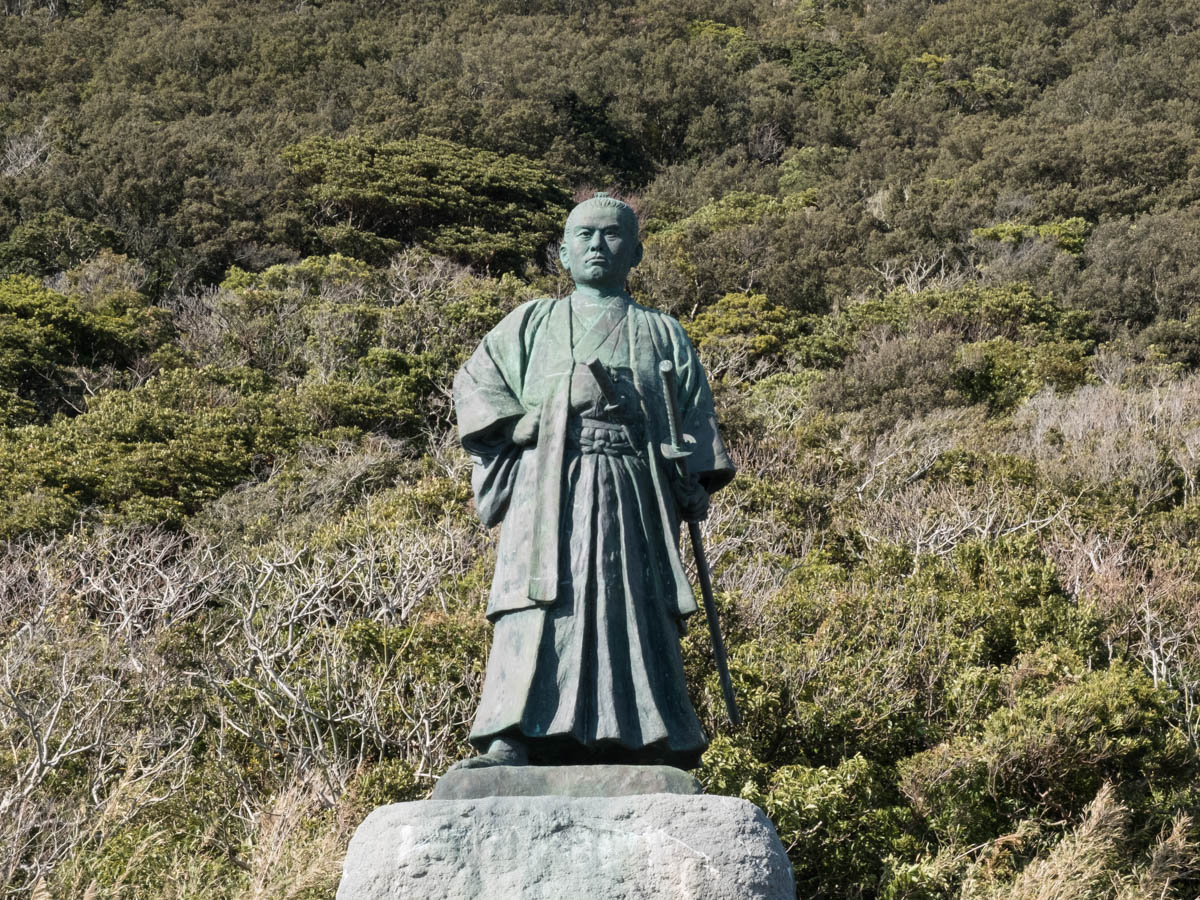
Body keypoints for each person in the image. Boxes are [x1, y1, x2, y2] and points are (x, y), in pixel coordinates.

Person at [452, 193, 735, 769]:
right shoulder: (531, 322)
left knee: (632, 601)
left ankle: (648, 737)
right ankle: (512, 734)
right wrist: (538, 415)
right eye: (583, 236)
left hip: (635, 490)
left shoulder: (663, 332)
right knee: (539, 603)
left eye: (610, 236)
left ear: (635, 251)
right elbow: (476, 385)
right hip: (549, 483)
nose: (596, 246)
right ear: (562, 252)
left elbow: (694, 424)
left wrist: (692, 479)